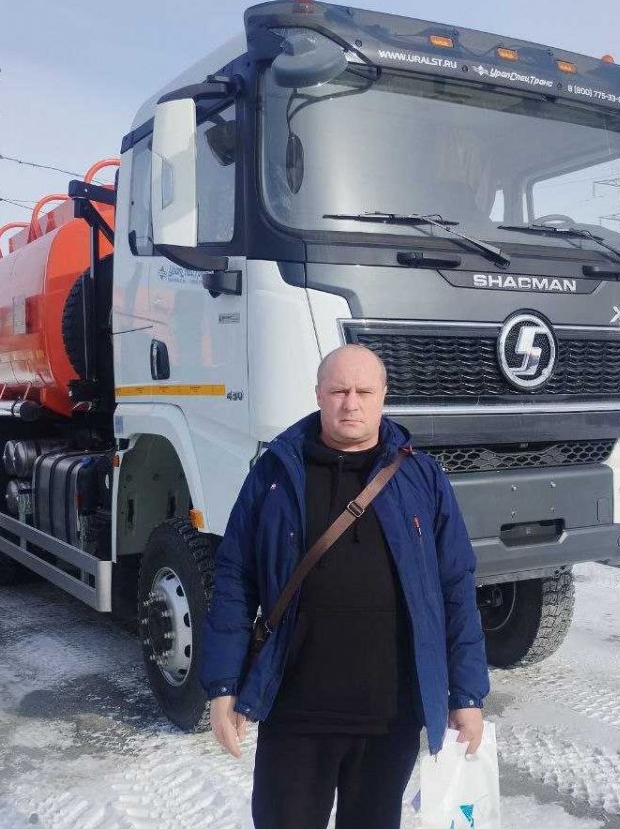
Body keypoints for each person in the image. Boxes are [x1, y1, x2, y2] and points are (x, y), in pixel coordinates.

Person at [200, 344, 489, 829]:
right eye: (338, 391)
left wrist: (466, 694)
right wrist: (224, 685)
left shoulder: (421, 477)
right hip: (295, 713)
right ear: (318, 394)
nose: (350, 403)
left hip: (389, 720)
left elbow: (456, 587)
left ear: (383, 396)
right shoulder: (276, 473)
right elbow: (235, 577)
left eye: (363, 392)